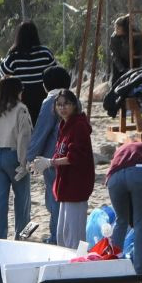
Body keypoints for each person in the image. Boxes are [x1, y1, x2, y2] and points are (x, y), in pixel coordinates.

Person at [25, 65, 72, 243]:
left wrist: (29, 158)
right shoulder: (73, 100)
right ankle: (64, 235)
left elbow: (41, 132)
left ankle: (55, 237)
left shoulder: (51, 100)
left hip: (52, 157)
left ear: (46, 85)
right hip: (69, 154)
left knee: (54, 197)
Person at [105, 139, 142, 277]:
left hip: (114, 177)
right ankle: (141, 270)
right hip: (139, 174)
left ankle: (113, 265)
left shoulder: (121, 150)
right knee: (140, 224)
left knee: (120, 221)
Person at [0, 76, 33, 239]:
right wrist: (23, 162)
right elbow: (23, 136)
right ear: (17, 91)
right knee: (22, 199)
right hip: (12, 155)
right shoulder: (20, 108)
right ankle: (23, 237)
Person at [49, 88, 94, 250]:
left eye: (66, 104)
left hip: (76, 187)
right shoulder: (64, 126)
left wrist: (50, 163)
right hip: (65, 188)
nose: (62, 108)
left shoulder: (79, 126)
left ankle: (78, 270)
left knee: (74, 239)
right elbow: (60, 152)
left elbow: (74, 157)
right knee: (62, 236)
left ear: (74, 105)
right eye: (59, 105)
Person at [0, 21, 57, 122]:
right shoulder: (45, 53)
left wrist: (3, 61)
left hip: (21, 100)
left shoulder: (13, 57)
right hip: (43, 99)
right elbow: (55, 73)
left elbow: (4, 75)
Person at [109, 15, 142, 88]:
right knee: (116, 72)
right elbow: (115, 56)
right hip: (122, 61)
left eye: (118, 28)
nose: (115, 30)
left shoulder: (136, 34)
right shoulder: (114, 38)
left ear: (124, 28)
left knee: (137, 78)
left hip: (135, 60)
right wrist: (122, 69)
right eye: (115, 27)